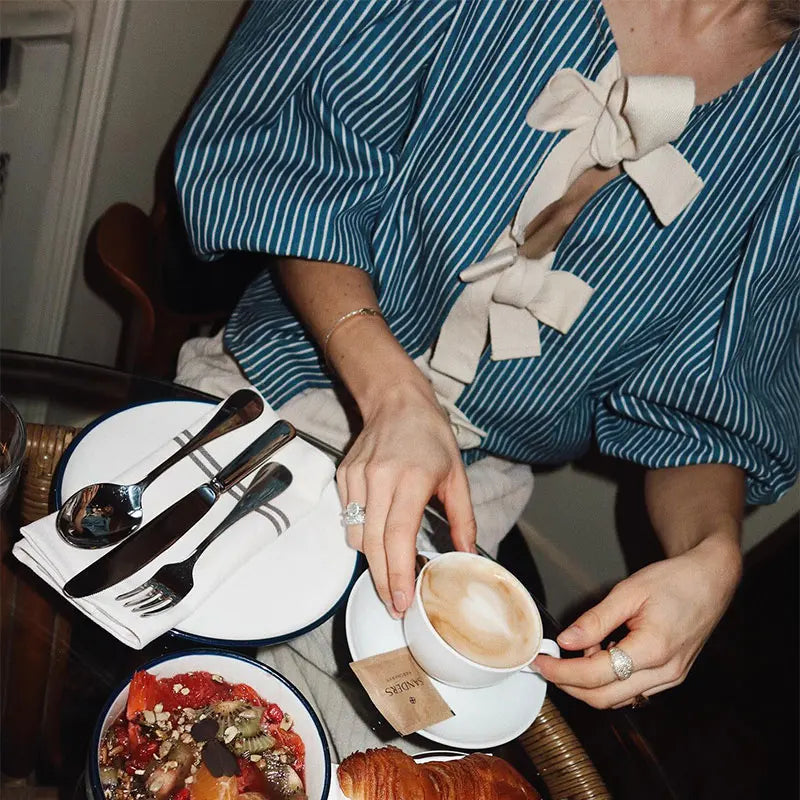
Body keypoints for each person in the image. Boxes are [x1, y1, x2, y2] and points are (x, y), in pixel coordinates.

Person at [173, 0, 799, 723]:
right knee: (176, 690)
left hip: (473, 503)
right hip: (281, 385)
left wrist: (714, 553)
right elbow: (286, 162)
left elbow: (705, 406)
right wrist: (392, 392)